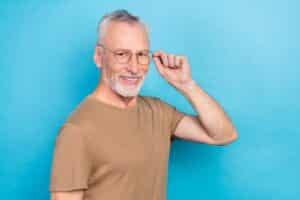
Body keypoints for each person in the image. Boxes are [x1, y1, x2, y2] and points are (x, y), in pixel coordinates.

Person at [49, 9, 238, 200]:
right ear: (99, 57)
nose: (134, 67)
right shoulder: (76, 131)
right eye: (122, 54)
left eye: (141, 54)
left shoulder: (158, 112)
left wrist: (186, 85)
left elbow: (223, 134)